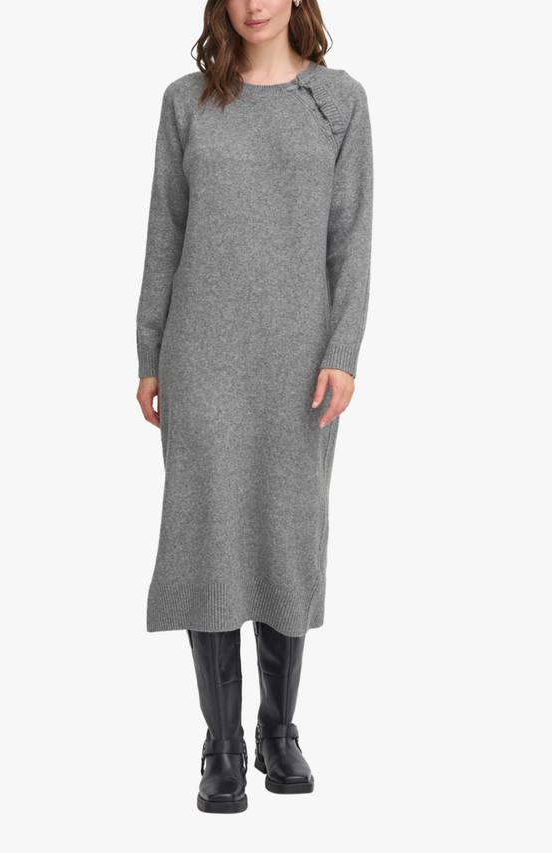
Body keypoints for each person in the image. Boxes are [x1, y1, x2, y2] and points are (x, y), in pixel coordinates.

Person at [135, 0, 373, 813]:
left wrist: (343, 351)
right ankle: (223, 743)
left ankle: (279, 728)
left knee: (285, 531)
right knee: (208, 532)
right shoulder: (185, 102)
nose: (254, 4)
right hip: (200, 354)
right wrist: (149, 351)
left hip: (300, 363)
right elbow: (164, 233)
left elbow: (352, 238)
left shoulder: (339, 102)